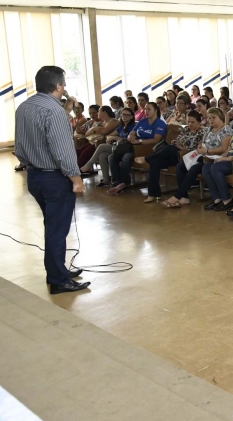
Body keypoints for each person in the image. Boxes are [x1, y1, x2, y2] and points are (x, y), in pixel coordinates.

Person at [14, 66, 90, 294]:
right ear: (58, 86)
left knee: (52, 224)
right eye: (64, 84)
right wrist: (76, 179)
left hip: (35, 175)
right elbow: (63, 150)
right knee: (58, 229)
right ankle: (58, 279)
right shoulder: (54, 112)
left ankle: (57, 270)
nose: (65, 88)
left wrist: (65, 110)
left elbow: (23, 143)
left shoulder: (25, 107)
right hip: (54, 178)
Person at [161, 108, 232, 208]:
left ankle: (177, 196)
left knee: (195, 169)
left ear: (220, 117)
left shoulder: (226, 129)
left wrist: (207, 151)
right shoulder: (209, 129)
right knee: (180, 167)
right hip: (203, 155)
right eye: (209, 118)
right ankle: (184, 197)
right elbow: (203, 142)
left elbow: (224, 148)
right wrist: (200, 146)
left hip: (215, 158)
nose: (211, 120)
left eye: (214, 118)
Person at [135, 110, 206, 203]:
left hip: (187, 156)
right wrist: (175, 142)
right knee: (155, 162)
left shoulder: (202, 132)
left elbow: (199, 149)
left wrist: (185, 149)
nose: (190, 124)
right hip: (174, 154)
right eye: (188, 121)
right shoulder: (186, 129)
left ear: (199, 121)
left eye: (193, 122)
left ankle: (147, 158)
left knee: (169, 149)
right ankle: (153, 194)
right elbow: (178, 139)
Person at [108, 101, 166, 196]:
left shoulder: (160, 123)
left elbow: (156, 140)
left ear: (155, 110)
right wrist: (131, 136)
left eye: (149, 109)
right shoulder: (142, 121)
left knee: (126, 157)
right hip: (132, 146)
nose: (146, 111)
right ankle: (116, 183)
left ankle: (124, 182)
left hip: (145, 148)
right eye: (145, 109)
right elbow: (132, 132)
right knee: (112, 157)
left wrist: (139, 142)